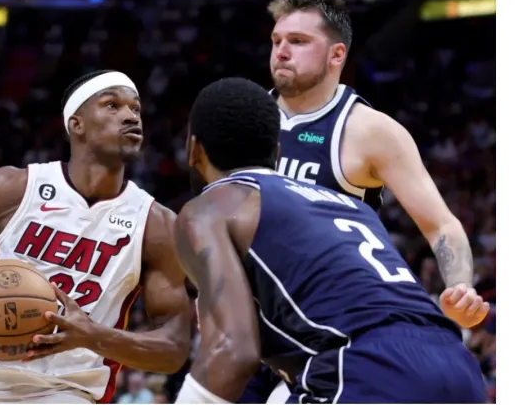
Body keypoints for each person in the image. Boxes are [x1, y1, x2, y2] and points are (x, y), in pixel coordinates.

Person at [172, 77, 488, 404]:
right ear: (277, 151)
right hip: (459, 368)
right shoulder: (353, 206)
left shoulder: (209, 209)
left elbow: (234, 350)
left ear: (194, 151)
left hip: (365, 368)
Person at [239, 0, 482, 402]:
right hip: (257, 332)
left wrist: (460, 287)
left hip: (334, 335)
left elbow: (441, 224)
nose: (281, 51)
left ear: (337, 55)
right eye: (276, 40)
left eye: (298, 41)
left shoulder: (368, 130)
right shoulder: (242, 122)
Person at [0, 70, 191, 404]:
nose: (130, 116)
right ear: (76, 124)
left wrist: (92, 336)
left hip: (67, 391)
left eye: (135, 109)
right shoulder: (13, 188)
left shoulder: (157, 225)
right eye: (112, 105)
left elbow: (174, 349)